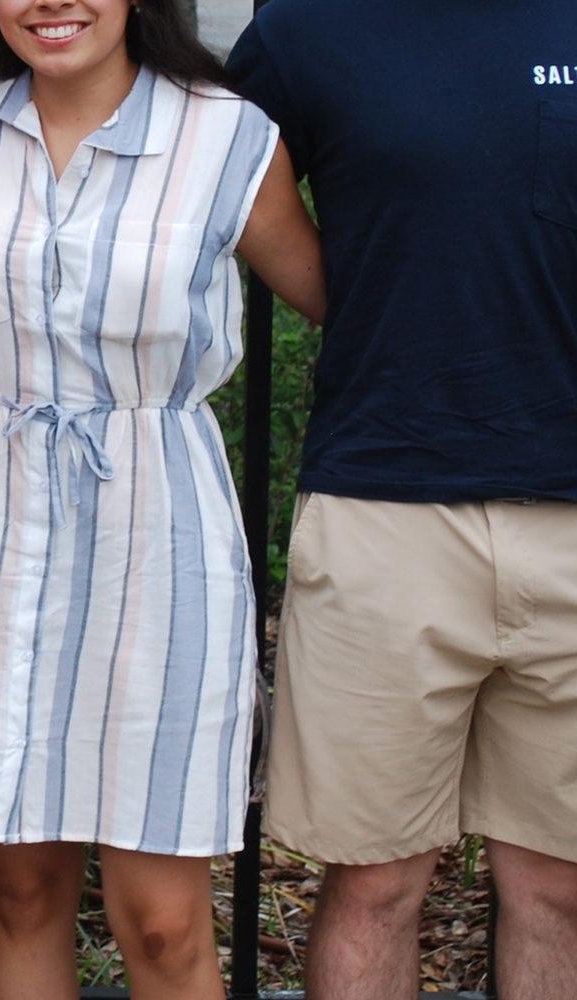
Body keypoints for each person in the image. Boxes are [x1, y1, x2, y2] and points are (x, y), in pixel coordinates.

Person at [0, 0, 323, 997]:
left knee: (161, 920)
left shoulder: (223, 135)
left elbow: (338, 296)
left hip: (155, 530)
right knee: (23, 894)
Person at [220, 2, 577, 998]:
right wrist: (346, 292)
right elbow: (211, 166)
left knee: (558, 889)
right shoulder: (307, 30)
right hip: (386, 510)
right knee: (376, 881)